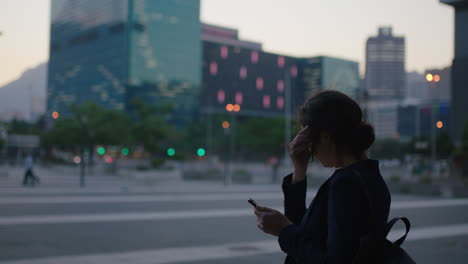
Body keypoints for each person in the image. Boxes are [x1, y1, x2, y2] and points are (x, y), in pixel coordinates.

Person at [253, 90, 391, 263]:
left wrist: (283, 230)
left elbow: (331, 260)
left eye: (309, 138)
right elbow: (307, 232)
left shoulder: (345, 184)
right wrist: (299, 171)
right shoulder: (369, 176)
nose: (309, 148)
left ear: (326, 137)